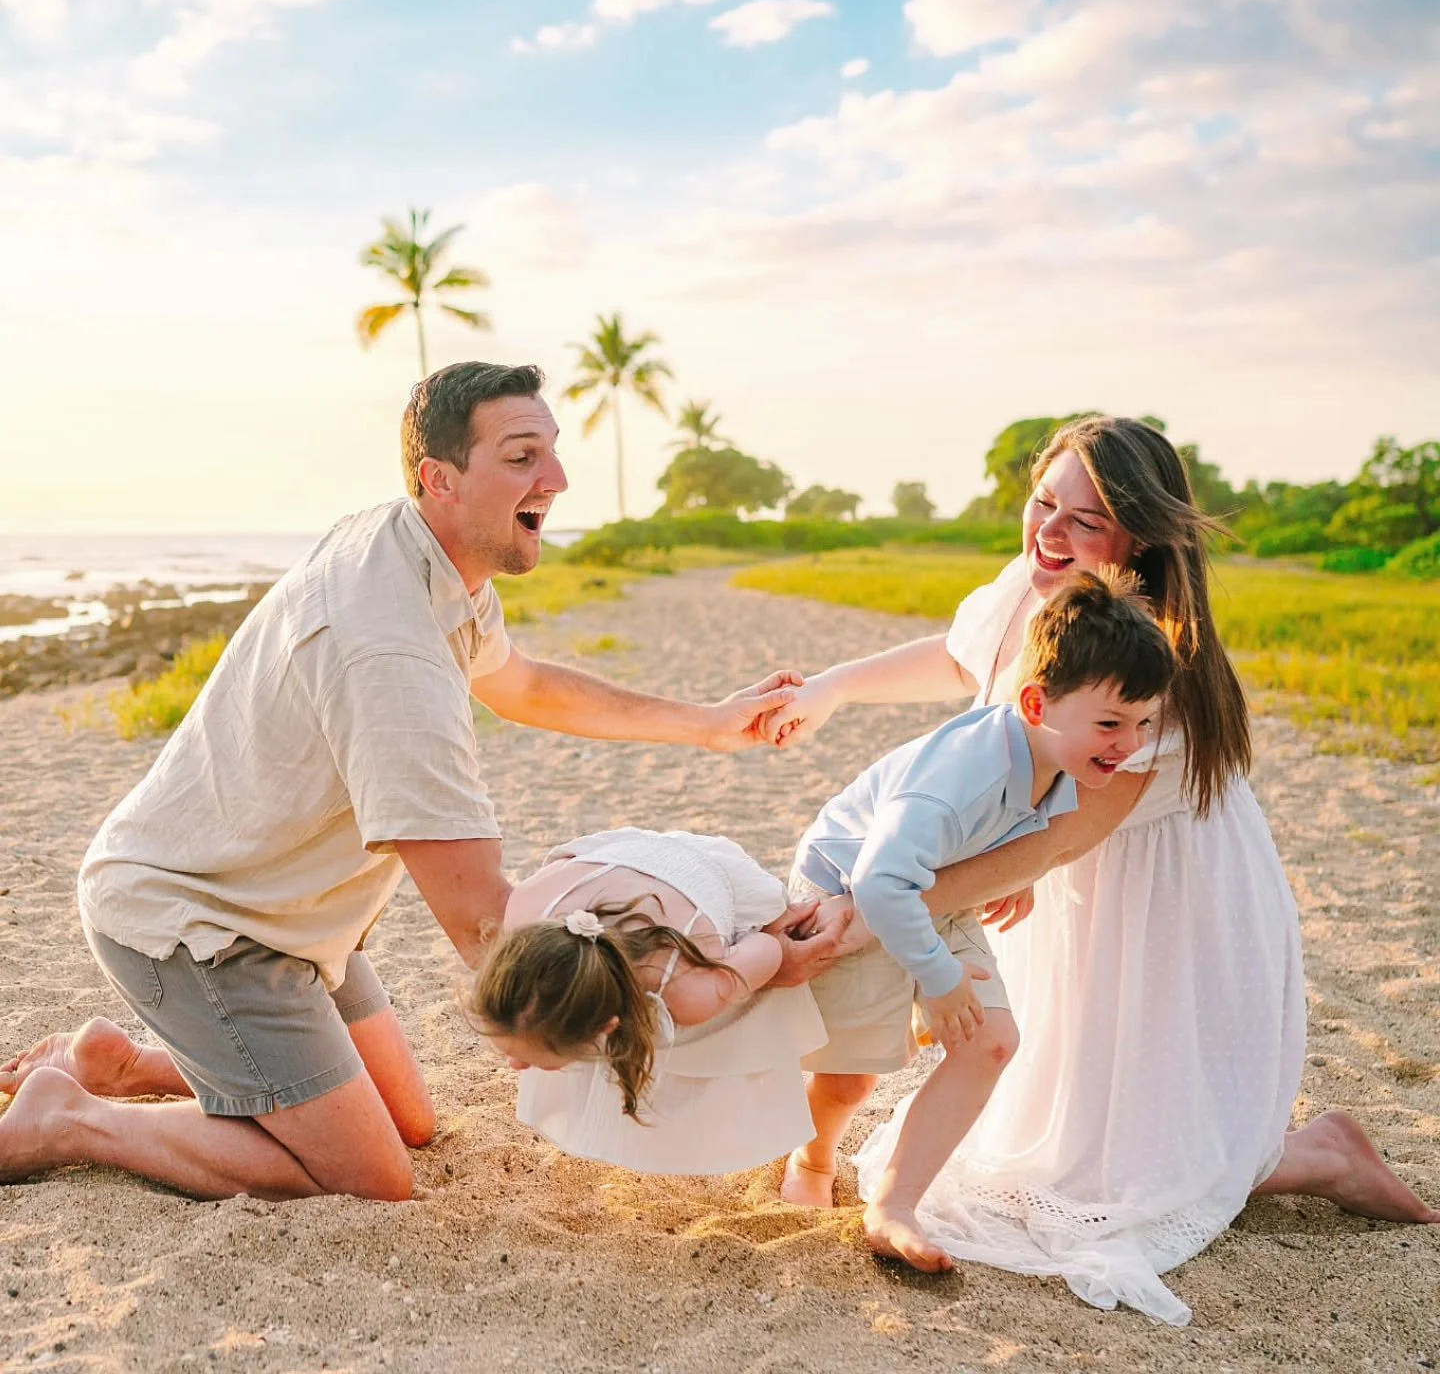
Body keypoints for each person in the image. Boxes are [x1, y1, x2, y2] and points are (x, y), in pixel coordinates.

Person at [0, 361, 838, 1203]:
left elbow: (526, 685)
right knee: (371, 1176)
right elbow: (486, 929)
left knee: (410, 1124)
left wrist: (705, 721)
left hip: (294, 914)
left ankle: (133, 1065)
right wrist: (719, 972)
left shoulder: (427, 552)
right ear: (441, 479)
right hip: (196, 920)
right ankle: (69, 1117)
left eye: (549, 451)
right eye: (521, 457)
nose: (556, 479)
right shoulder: (393, 656)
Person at [762, 416, 1437, 1324]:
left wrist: (886, 911)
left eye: (1084, 520)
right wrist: (834, 686)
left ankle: (1321, 1156)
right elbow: (971, 655)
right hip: (1049, 861)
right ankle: (1314, 1151)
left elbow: (1066, 837)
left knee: (1127, 1148)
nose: (1049, 532)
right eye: (1044, 502)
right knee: (1080, 1121)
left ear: (1139, 540)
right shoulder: (1035, 587)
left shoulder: (1153, 668)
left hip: (1164, 890)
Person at [779, 570, 1176, 1274]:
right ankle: (811, 1159)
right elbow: (878, 879)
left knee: (992, 1041)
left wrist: (1014, 881)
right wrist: (935, 976)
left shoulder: (1063, 759)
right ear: (1034, 702)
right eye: (1111, 722)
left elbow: (1010, 836)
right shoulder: (961, 775)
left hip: (930, 885)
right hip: (853, 886)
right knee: (852, 1079)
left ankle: (894, 1206)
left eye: (1143, 723)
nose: (1129, 743)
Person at [470, 827, 845, 1175]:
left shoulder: (686, 990)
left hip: (715, 872)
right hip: (610, 855)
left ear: (607, 1028)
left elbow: (767, 948)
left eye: (530, 1059)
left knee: (721, 1002)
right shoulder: (523, 910)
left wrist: (758, 952)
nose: (514, 1064)